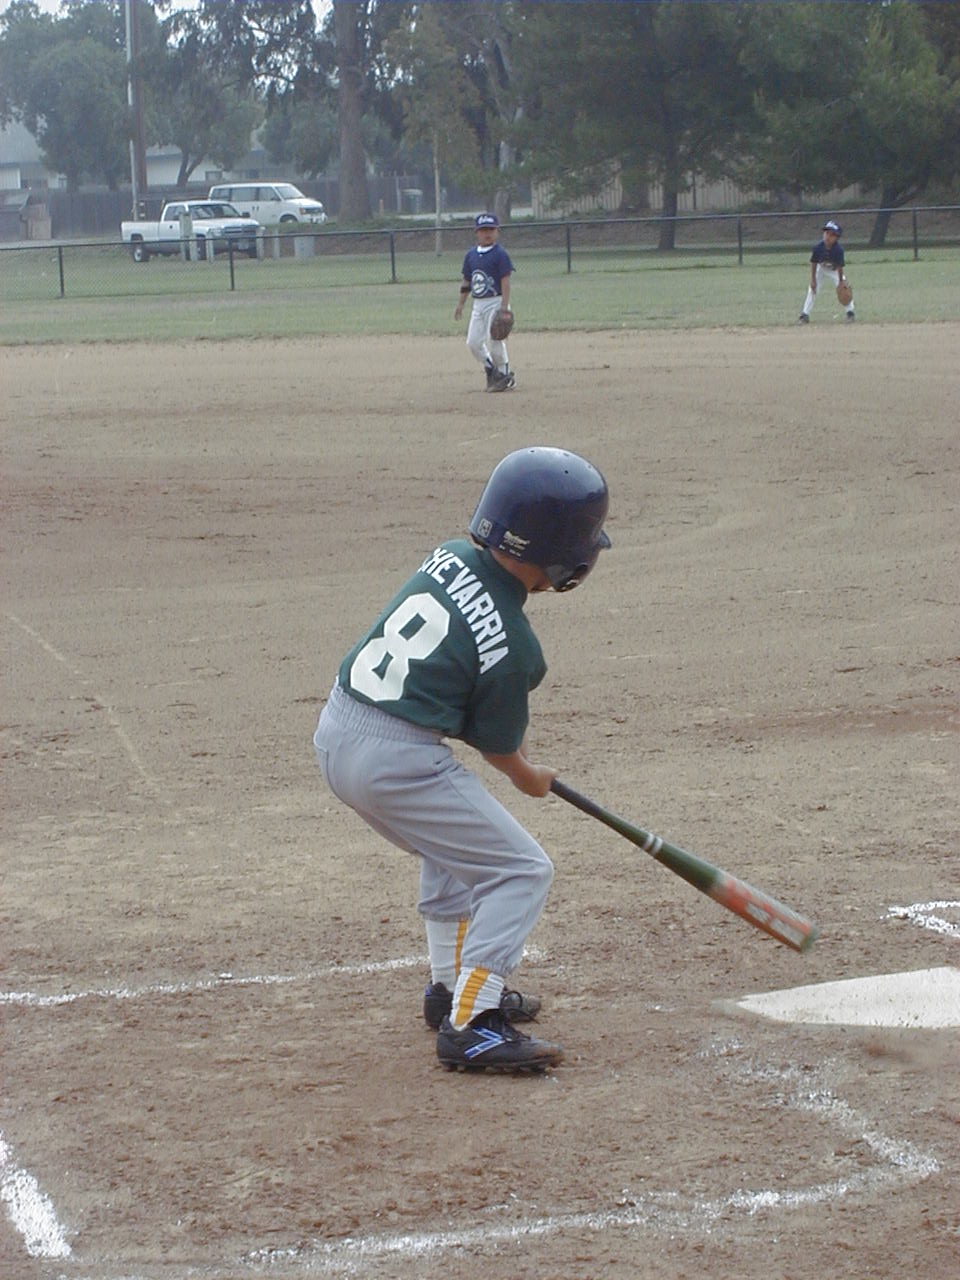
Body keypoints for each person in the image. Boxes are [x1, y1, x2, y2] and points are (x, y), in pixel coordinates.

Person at [312, 447, 612, 1073]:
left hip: (338, 731)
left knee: (453, 847)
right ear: (564, 556)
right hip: (394, 760)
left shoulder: (448, 555)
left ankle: (450, 989)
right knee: (522, 870)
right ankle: (473, 1023)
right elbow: (500, 749)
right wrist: (530, 777)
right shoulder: (516, 646)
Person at [454, 212, 516, 392]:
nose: (487, 233)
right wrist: (461, 304)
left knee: (495, 342)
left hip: (496, 301)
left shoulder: (500, 254)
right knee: (473, 343)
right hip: (478, 304)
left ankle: (505, 375)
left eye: (491, 230)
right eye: (483, 230)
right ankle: (491, 369)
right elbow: (467, 281)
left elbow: (505, 281)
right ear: (477, 233)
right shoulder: (471, 255)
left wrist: (504, 307)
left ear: (497, 232)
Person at [798, 219, 855, 323]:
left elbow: (840, 266)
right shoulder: (818, 248)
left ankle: (850, 313)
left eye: (831, 234)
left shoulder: (838, 250)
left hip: (834, 270)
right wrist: (813, 280)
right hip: (821, 268)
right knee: (812, 289)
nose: (828, 236)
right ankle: (805, 315)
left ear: (837, 237)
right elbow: (814, 263)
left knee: (844, 288)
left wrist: (841, 281)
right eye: (826, 233)